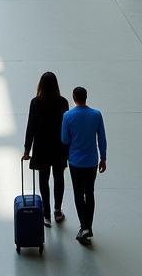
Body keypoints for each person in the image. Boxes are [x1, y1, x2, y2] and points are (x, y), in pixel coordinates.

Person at [22, 71, 70, 228]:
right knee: (58, 177)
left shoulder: (36, 102)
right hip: (59, 146)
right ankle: (57, 210)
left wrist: (27, 149)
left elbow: (31, 126)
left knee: (43, 179)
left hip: (42, 147)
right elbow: (66, 127)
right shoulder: (63, 102)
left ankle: (46, 214)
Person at [61, 85, 107, 245]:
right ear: (86, 97)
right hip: (92, 161)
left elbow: (65, 139)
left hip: (75, 162)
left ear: (74, 98)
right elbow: (102, 138)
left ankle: (84, 227)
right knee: (90, 192)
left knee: (78, 194)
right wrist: (103, 158)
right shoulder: (96, 115)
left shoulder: (68, 116)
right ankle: (88, 226)